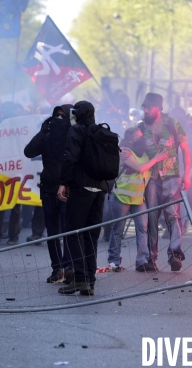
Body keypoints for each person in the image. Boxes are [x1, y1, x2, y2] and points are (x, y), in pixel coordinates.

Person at [57, 101, 108, 295]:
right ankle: (90, 282)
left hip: (82, 189)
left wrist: (63, 183)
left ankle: (79, 279)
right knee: (91, 236)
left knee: (73, 233)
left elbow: (70, 158)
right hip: (100, 190)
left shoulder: (77, 131)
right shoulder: (101, 132)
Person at [139, 92, 191, 271]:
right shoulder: (141, 127)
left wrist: (187, 174)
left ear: (159, 108)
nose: (145, 110)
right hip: (152, 180)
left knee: (173, 216)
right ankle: (151, 260)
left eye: (149, 107)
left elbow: (185, 150)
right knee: (152, 218)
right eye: (144, 107)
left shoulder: (172, 124)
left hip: (172, 178)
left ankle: (175, 255)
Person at [24, 104, 74, 283]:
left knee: (68, 230)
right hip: (48, 188)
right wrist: (42, 131)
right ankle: (57, 269)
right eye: (56, 116)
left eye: (63, 116)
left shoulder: (74, 137)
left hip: (68, 189)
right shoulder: (47, 138)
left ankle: (69, 267)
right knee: (52, 232)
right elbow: (28, 151)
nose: (59, 120)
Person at [107, 127, 168, 271]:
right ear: (129, 140)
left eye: (142, 137)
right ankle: (114, 260)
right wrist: (156, 158)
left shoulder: (144, 153)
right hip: (122, 197)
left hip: (138, 199)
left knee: (143, 228)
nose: (141, 140)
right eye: (137, 137)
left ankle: (142, 261)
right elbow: (140, 168)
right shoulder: (125, 152)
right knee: (118, 230)